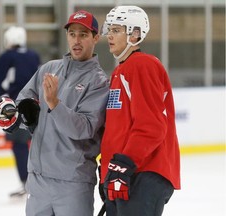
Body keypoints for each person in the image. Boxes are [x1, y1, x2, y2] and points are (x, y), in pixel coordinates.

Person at [0, 10, 109, 216]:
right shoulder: (49, 69)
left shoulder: (99, 82)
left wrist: (55, 103)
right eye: (72, 34)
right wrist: (12, 113)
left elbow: (84, 129)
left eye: (83, 34)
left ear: (96, 38)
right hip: (38, 181)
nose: (77, 40)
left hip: (73, 184)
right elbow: (22, 105)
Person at [99, 6, 181, 216]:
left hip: (143, 172)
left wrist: (123, 164)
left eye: (116, 30)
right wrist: (109, 169)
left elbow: (151, 126)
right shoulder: (120, 70)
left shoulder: (142, 65)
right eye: (110, 29)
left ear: (135, 34)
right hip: (126, 173)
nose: (109, 35)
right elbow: (119, 127)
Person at [0, 26, 41, 197]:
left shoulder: (6, 57)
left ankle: (27, 183)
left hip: (15, 108)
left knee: (19, 145)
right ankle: (40, 180)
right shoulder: (33, 55)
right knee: (38, 144)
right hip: (36, 106)